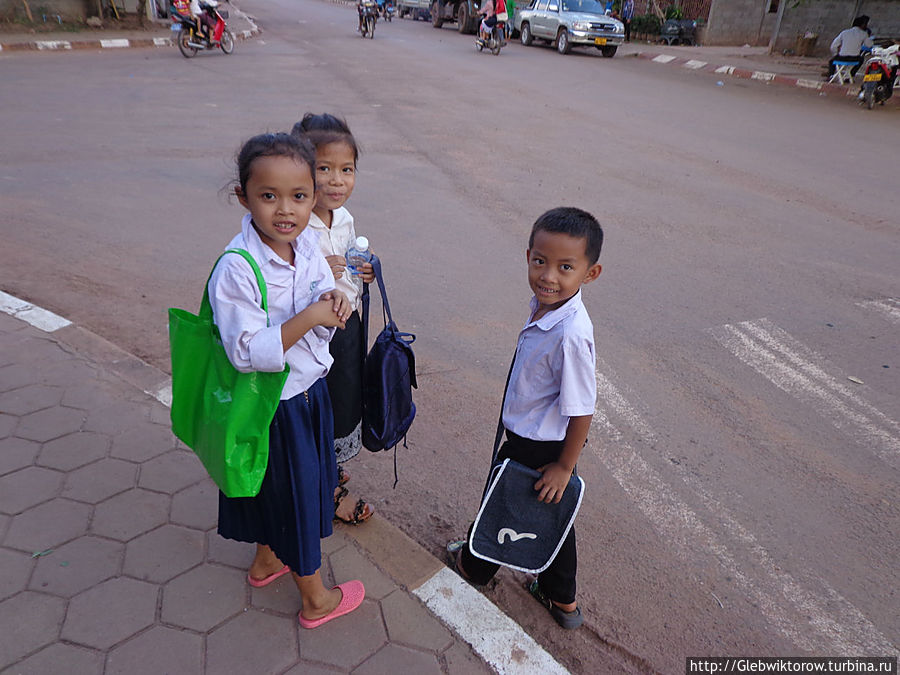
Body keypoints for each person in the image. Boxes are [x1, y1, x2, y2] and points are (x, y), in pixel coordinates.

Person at [208, 132, 365, 629]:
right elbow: (245, 350)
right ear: (244, 197)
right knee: (296, 497)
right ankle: (316, 599)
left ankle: (265, 561)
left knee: (280, 489)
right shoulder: (238, 267)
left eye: (298, 196)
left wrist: (339, 295)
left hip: (307, 394)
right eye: (268, 196)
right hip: (273, 405)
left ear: (312, 199)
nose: (285, 210)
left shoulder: (307, 245)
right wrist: (312, 316)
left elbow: (326, 287)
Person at [452, 207, 604, 630]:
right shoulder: (546, 306)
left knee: (504, 504)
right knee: (552, 515)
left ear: (590, 274)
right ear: (528, 256)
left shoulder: (570, 333)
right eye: (540, 261)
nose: (548, 276)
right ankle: (563, 600)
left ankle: (472, 567)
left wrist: (564, 467)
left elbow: (583, 409)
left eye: (565, 267)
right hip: (535, 437)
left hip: (539, 445)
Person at [291, 113, 375, 527]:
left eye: (347, 170)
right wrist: (315, 272)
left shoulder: (343, 219)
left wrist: (364, 272)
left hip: (346, 331)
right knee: (315, 409)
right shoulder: (294, 226)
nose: (337, 180)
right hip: (311, 340)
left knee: (342, 405)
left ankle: (327, 470)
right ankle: (324, 490)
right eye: (324, 169)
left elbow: (353, 268)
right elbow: (282, 288)